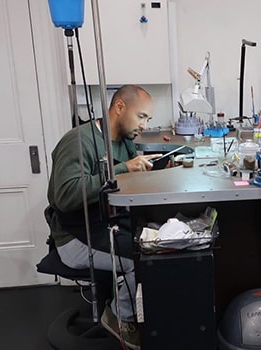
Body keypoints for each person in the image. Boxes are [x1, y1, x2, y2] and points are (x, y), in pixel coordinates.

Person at [46, 85, 160, 350]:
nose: (144, 125)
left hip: (108, 224)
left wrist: (159, 170)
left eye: (148, 120)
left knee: (156, 241)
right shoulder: (78, 141)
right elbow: (65, 196)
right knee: (140, 259)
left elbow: (130, 185)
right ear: (119, 107)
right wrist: (122, 169)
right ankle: (119, 317)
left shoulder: (125, 143)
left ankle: (136, 309)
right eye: (141, 116)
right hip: (75, 236)